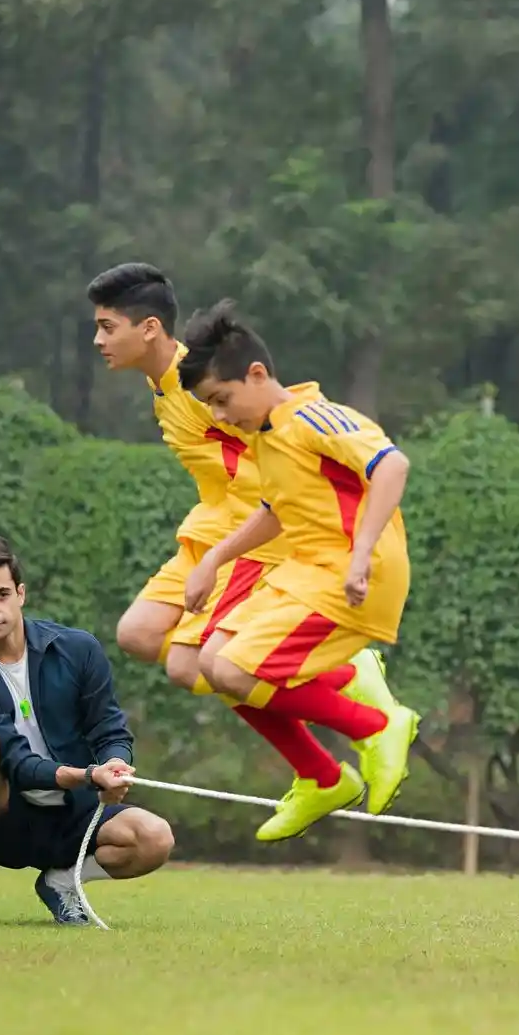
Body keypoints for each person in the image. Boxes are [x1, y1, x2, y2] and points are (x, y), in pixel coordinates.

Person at [176, 300, 420, 842]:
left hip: (355, 575)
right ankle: (322, 775)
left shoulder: (315, 416)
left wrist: (360, 555)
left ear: (257, 374)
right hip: (308, 570)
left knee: (238, 670)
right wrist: (214, 558)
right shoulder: (267, 435)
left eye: (222, 399)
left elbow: (393, 465)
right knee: (209, 663)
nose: (219, 414)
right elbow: (275, 510)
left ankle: (376, 726)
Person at [0, 537, 174, 929]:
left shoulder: (79, 649)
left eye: (1, 595)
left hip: (74, 816)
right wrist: (85, 775)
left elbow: (109, 727)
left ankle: (61, 883)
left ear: (21, 594)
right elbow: (18, 762)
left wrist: (116, 762)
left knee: (155, 838)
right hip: (5, 821)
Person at [87, 263, 303, 693]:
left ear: (149, 328)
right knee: (138, 634)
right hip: (212, 525)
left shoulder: (201, 386)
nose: (98, 341)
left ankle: (345, 686)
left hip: (253, 534)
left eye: (107, 328)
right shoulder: (162, 385)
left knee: (193, 668)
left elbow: (283, 422)